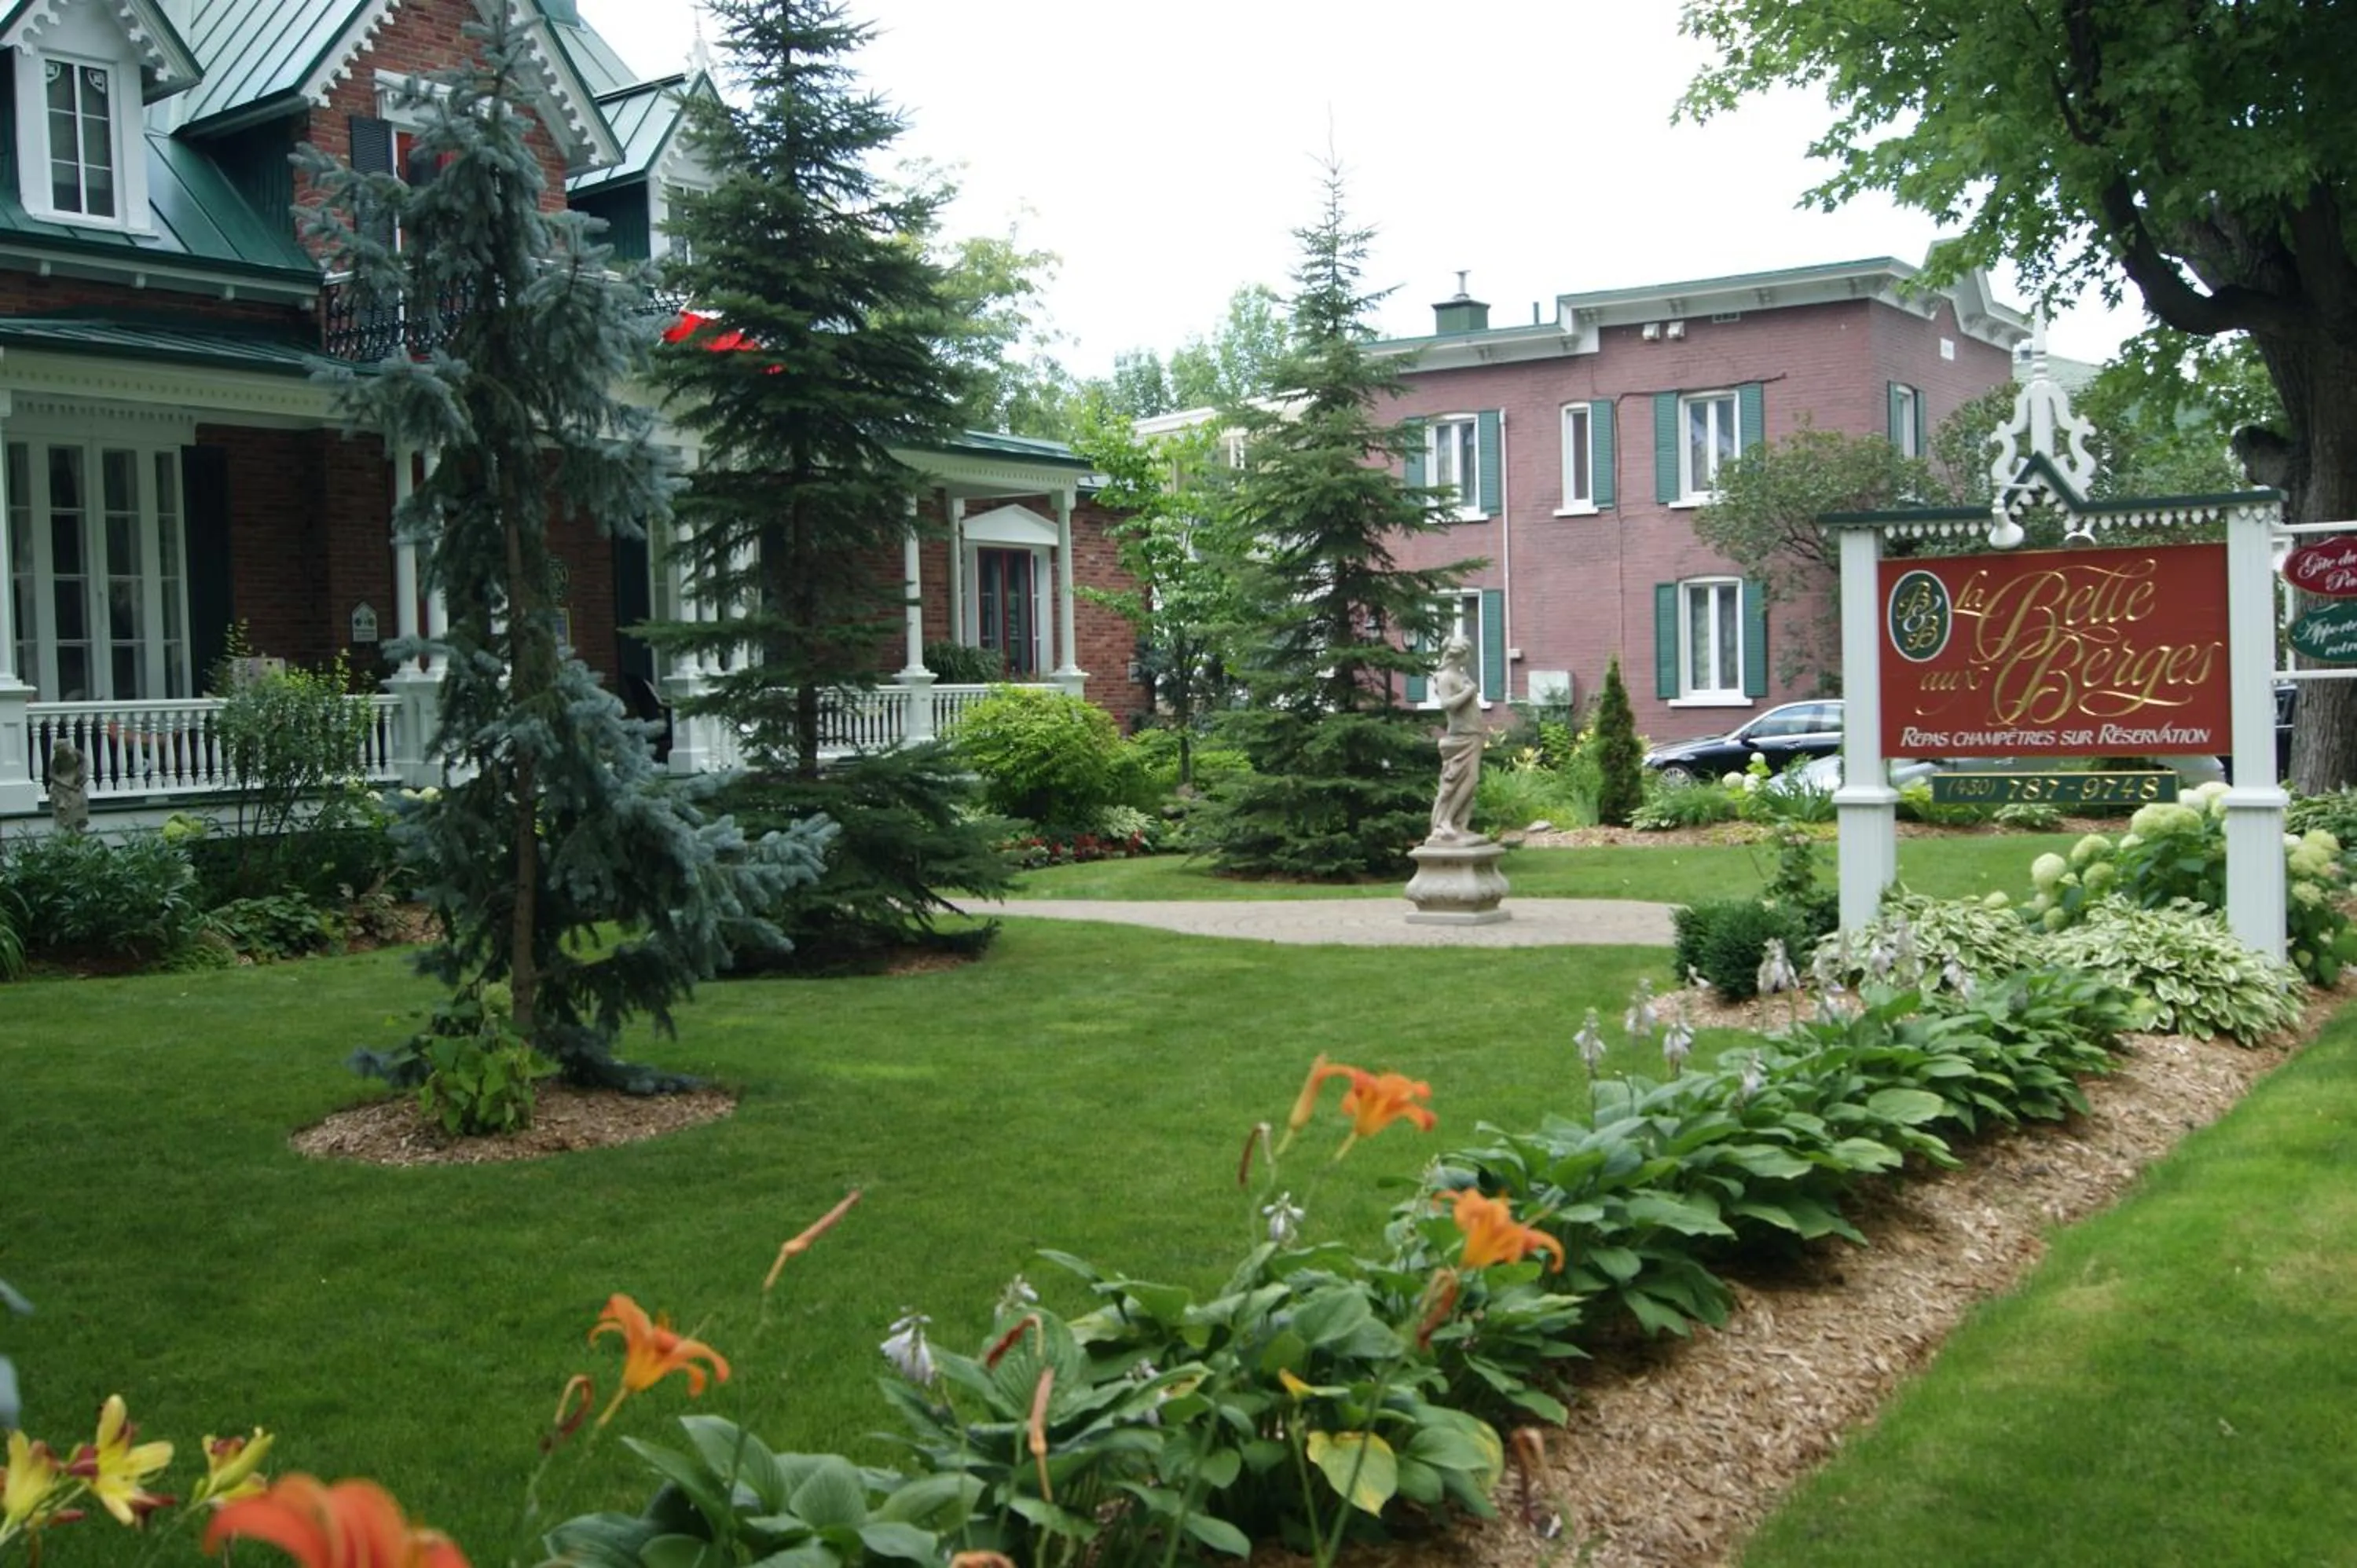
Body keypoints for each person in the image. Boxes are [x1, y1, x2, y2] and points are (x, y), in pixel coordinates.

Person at [1426, 636, 1483, 842]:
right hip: (1461, 736)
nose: (1468, 658)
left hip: (1473, 732)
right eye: (1466, 653)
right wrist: (1469, 692)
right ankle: (1445, 821)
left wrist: (1469, 688)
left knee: (1471, 780)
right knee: (1463, 779)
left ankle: (1460, 824)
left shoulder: (1461, 675)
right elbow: (1447, 704)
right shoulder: (1446, 677)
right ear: (1458, 655)